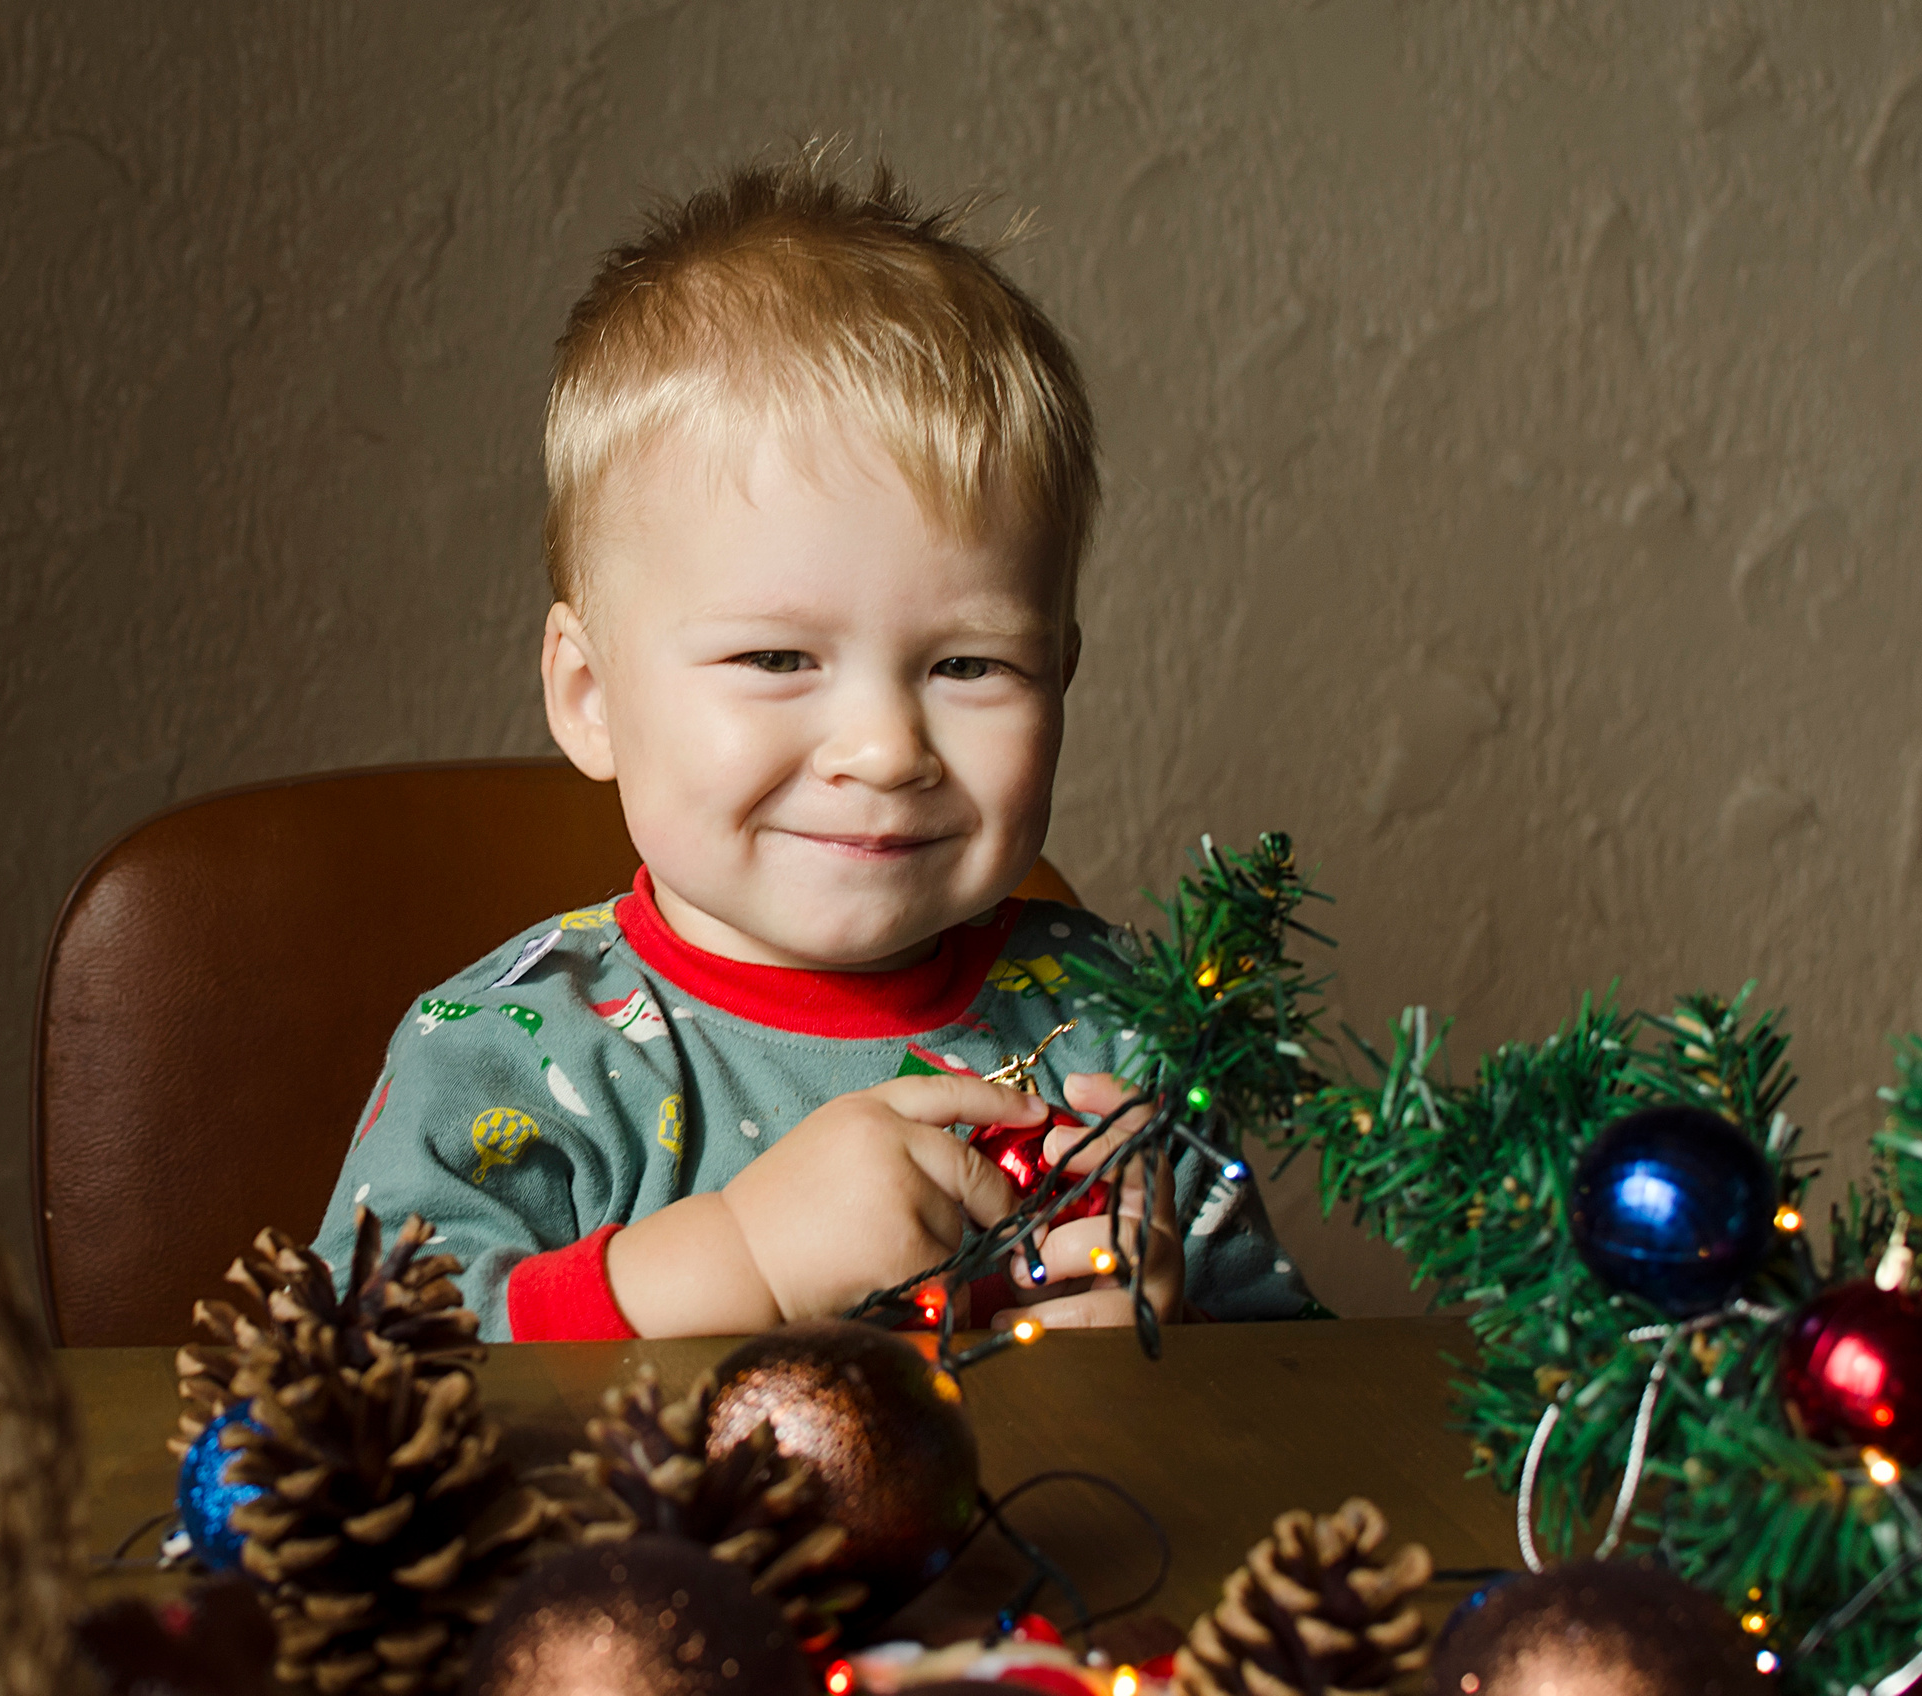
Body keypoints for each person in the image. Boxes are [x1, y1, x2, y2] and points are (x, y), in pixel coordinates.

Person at [312, 155, 1312, 1341]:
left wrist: (1169, 1345)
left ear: (1061, 674)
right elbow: (350, 1384)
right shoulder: (501, 1060)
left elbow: (1294, 1413)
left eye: (969, 666)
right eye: (778, 660)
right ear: (589, 695)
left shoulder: (1121, 1040)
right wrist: (736, 1259)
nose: (887, 750)